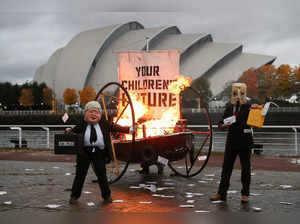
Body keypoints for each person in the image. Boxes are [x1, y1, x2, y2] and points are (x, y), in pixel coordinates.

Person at [66, 100, 131, 205]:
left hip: (99, 152)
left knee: (102, 175)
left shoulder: (104, 124)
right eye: (91, 112)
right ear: (85, 113)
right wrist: (69, 130)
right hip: (84, 153)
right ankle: (74, 196)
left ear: (100, 114)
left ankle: (107, 196)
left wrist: (129, 129)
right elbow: (74, 131)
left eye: (96, 112)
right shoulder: (82, 124)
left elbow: (115, 127)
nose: (93, 114)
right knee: (80, 175)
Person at [210, 83, 258, 204]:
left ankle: (245, 194)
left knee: (245, 169)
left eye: (241, 93)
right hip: (231, 141)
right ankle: (221, 193)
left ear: (244, 93)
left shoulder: (249, 107)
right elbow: (220, 123)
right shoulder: (229, 106)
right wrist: (222, 125)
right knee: (226, 169)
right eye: (235, 93)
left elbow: (257, 122)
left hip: (244, 142)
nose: (238, 95)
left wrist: (257, 111)